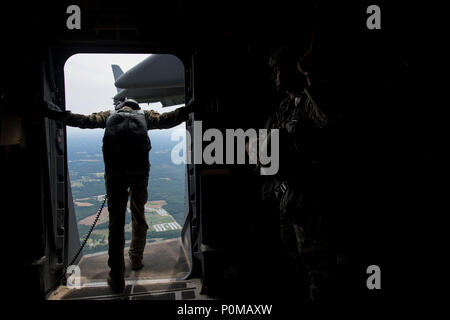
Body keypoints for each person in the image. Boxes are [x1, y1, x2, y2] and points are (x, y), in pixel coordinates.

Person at [43, 98, 195, 292]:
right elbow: (169, 119)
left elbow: (81, 120)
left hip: (114, 174)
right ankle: (136, 258)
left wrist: (53, 112)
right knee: (139, 216)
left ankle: (116, 277)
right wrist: (190, 107)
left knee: (116, 223)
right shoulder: (145, 116)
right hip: (140, 173)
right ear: (137, 107)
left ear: (120, 107)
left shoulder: (109, 115)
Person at [259, 45, 335, 302]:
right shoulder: (283, 108)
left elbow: (327, 118)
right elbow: (260, 145)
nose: (275, 76)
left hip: (313, 205)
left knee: (319, 274)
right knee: (294, 267)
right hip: (289, 200)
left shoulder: (310, 100)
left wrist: (311, 77)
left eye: (278, 70)